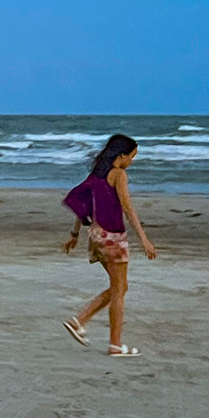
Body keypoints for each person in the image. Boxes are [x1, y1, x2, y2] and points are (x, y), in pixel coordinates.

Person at [61, 133, 158, 355]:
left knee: (120, 287)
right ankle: (111, 342)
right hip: (112, 237)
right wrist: (144, 239)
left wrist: (75, 234)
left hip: (96, 235)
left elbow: (82, 205)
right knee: (119, 290)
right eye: (132, 156)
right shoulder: (118, 175)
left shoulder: (97, 175)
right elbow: (128, 208)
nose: (132, 161)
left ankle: (81, 321)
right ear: (121, 155)